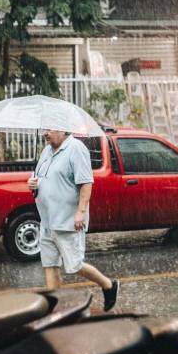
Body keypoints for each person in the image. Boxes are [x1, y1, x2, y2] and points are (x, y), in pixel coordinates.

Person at [28, 129, 119, 311]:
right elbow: (42, 179)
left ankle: (109, 285)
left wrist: (80, 212)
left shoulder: (76, 149)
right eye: (44, 129)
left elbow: (86, 183)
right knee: (50, 265)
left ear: (62, 129)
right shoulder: (46, 151)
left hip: (67, 221)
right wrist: (32, 183)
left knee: (75, 265)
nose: (45, 133)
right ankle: (56, 308)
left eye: (49, 129)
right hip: (47, 220)